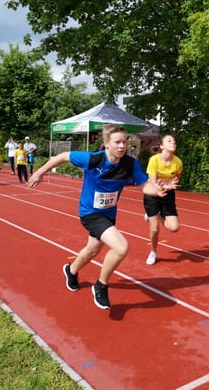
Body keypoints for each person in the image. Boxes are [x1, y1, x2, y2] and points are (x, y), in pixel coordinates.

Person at [27, 123, 167, 310]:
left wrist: (156, 191)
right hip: (89, 212)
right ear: (106, 143)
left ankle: (71, 270)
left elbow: (144, 186)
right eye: (117, 142)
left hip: (109, 214)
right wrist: (39, 172)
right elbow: (62, 156)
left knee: (92, 250)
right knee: (121, 247)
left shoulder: (130, 164)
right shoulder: (93, 159)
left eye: (124, 142)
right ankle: (101, 285)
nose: (122, 146)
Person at [143, 134, 182, 265]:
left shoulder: (178, 162)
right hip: (153, 194)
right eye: (169, 141)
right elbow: (154, 183)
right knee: (154, 229)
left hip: (168, 195)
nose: (173, 143)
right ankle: (153, 251)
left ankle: (158, 214)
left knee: (174, 228)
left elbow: (176, 179)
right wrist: (166, 186)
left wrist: (170, 186)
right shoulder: (154, 160)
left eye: (174, 141)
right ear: (161, 146)